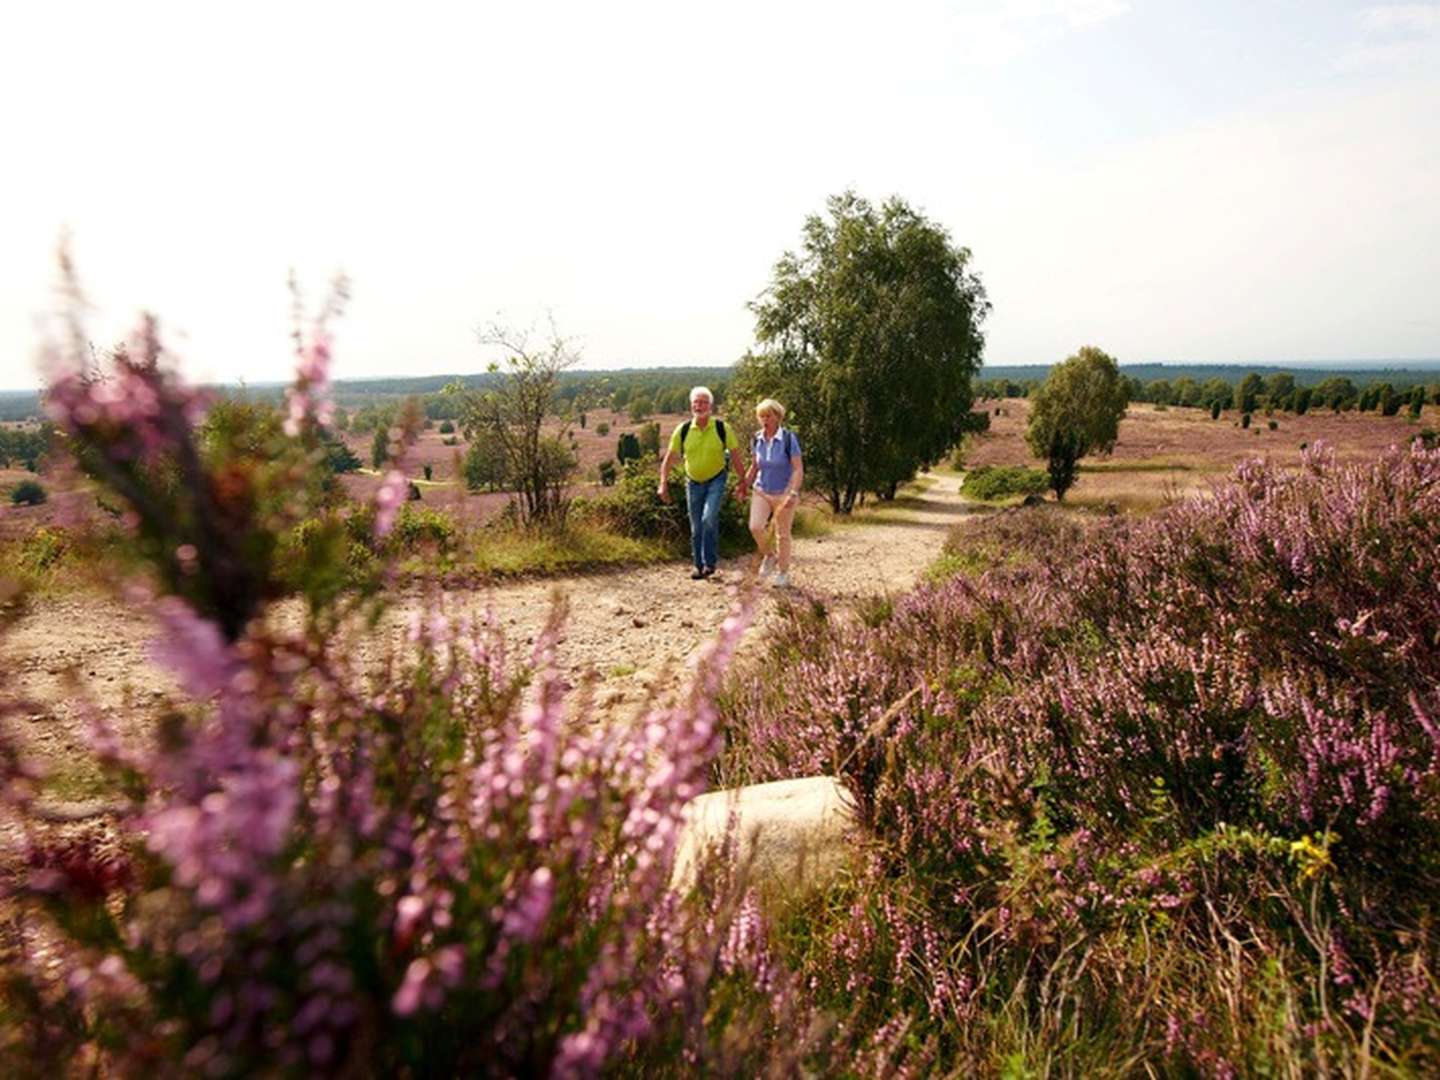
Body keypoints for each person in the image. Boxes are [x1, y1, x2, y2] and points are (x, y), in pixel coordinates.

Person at [657, 386, 746, 579]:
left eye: (703, 402)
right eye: (696, 402)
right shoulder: (683, 430)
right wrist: (663, 482)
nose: (699, 405)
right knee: (696, 527)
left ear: (711, 406)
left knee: (708, 519)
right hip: (693, 482)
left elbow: (737, 457)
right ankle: (698, 566)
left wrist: (742, 481)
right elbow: (669, 459)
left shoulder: (723, 428)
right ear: (691, 406)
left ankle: (710, 563)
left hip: (717, 479)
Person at [744, 398, 803, 588]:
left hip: (784, 493)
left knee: (782, 534)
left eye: (768, 415)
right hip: (761, 490)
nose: (764, 419)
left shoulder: (788, 439)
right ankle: (770, 555)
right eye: (761, 416)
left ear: (777, 417)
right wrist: (744, 484)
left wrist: (792, 492)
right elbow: (754, 466)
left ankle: (783, 574)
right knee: (755, 527)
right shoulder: (756, 439)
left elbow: (797, 468)